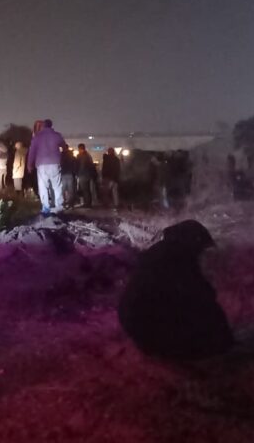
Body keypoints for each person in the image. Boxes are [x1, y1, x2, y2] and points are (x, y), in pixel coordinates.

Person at [118, 219, 233, 360]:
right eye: (201, 248)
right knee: (206, 313)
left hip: (135, 321)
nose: (200, 253)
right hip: (147, 324)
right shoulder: (177, 258)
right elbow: (198, 294)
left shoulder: (160, 251)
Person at [27, 119, 68, 215]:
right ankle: (59, 206)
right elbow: (64, 146)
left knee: (43, 186)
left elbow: (32, 152)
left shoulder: (37, 137)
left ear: (43, 126)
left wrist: (29, 164)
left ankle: (45, 207)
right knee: (57, 186)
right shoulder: (57, 135)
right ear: (51, 125)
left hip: (41, 164)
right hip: (55, 163)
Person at [76, 143, 97, 208]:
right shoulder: (88, 155)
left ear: (80, 149)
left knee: (85, 190)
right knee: (87, 190)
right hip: (88, 175)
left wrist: (78, 173)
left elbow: (81, 166)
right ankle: (88, 203)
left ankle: (87, 203)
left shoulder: (80, 156)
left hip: (83, 175)